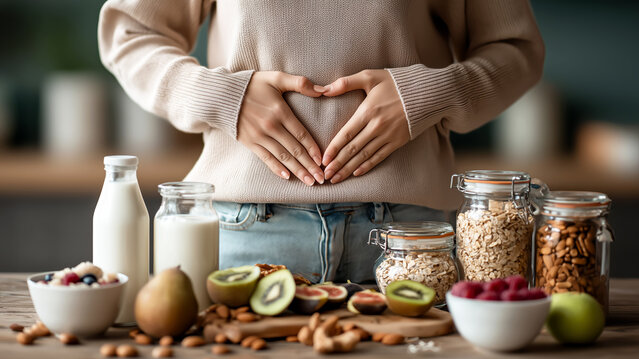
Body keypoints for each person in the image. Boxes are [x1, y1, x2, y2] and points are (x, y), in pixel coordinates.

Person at [98, 0, 544, 283]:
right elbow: (130, 33)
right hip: (246, 233)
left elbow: (515, 49)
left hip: (411, 240)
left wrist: (428, 94)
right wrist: (223, 97)